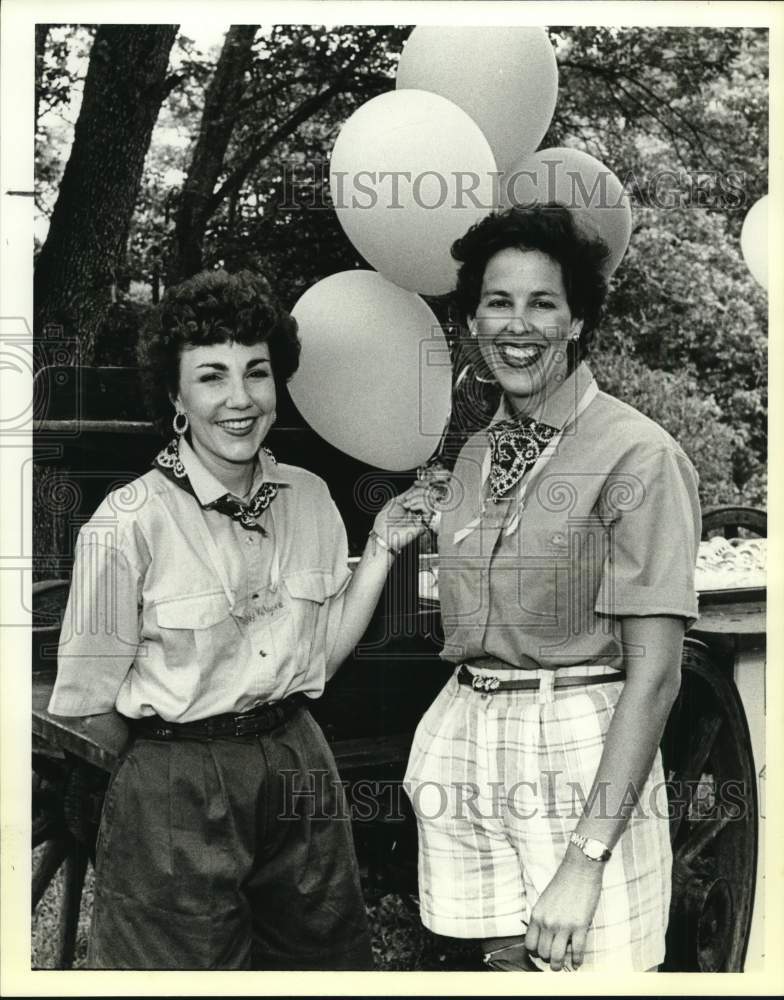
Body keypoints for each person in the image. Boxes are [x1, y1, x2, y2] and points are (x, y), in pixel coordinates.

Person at [48, 268, 428, 970]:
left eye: (257, 372)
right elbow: (88, 705)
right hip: (175, 781)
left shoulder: (311, 498)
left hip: (297, 764)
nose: (240, 399)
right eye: (212, 376)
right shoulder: (125, 525)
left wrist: (379, 548)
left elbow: (318, 657)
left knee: (325, 970)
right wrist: (158, 782)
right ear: (175, 396)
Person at [402, 204, 701, 973]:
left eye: (544, 303)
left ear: (575, 322)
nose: (518, 324)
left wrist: (586, 857)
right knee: (499, 970)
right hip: (467, 737)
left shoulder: (639, 454)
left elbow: (658, 673)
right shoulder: (473, 454)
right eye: (498, 302)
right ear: (472, 320)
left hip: (582, 749)